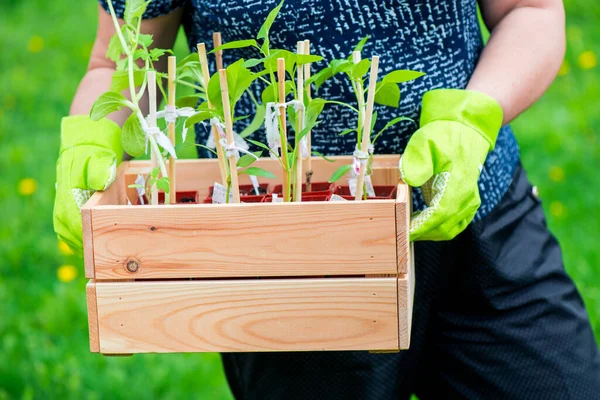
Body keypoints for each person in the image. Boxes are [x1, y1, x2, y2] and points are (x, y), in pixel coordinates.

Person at [54, 0, 600, 398]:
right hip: (288, 257)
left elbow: (529, 11)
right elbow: (124, 57)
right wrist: (93, 135)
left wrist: (473, 117)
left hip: (479, 217)